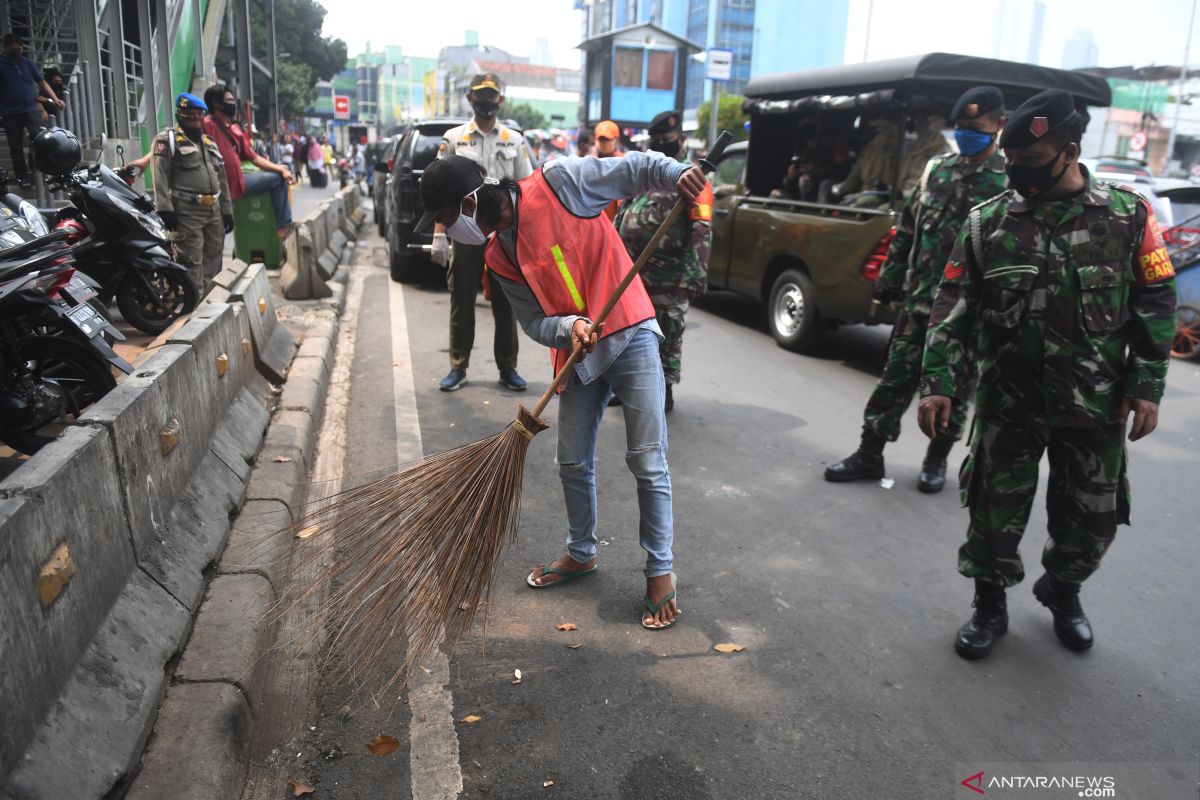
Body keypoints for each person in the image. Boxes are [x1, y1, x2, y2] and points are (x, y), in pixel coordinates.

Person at [917, 90, 1177, 660]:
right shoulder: (989, 223)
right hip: (1010, 402)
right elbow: (952, 303)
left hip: (1095, 404)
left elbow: (1156, 300)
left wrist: (1147, 385)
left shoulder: (1128, 217)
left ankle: (1063, 588)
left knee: (1093, 521)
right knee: (992, 514)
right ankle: (989, 604)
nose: (1016, 175)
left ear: (1070, 152)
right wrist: (937, 381)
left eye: (1030, 164)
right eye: (1010, 162)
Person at [414, 150, 707, 629]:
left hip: (629, 330)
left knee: (647, 459)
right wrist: (569, 326)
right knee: (571, 461)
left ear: (473, 200)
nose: (449, 230)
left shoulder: (559, 183)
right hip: (577, 354)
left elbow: (632, 170)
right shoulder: (498, 254)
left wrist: (677, 174)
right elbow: (533, 321)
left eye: (448, 218)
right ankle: (581, 552)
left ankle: (660, 571)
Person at [825, 87, 1009, 492]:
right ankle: (869, 453)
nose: (965, 135)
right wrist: (890, 283)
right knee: (895, 379)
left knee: (954, 390)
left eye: (975, 128)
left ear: (999, 125)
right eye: (960, 128)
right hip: (919, 300)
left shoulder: (1009, 183)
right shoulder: (936, 170)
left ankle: (936, 459)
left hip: (967, 313)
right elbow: (907, 231)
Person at [432, 72, 533, 393]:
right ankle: (457, 366)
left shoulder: (515, 141)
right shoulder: (454, 139)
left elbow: (526, 191)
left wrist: (526, 239)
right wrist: (439, 233)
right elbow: (439, 190)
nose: (486, 101)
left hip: (504, 233)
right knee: (462, 298)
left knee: (507, 301)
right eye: (481, 95)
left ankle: (508, 367)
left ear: (500, 99)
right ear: (470, 98)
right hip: (465, 228)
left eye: (492, 95)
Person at [614, 110, 712, 413]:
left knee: (667, 332)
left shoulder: (695, 179)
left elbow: (702, 229)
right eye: (655, 141)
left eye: (666, 141)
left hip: (668, 276)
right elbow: (623, 214)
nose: (660, 146)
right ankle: (628, 388)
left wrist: (693, 275)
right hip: (633, 273)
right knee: (631, 332)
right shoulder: (647, 172)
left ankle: (664, 390)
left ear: (681, 140)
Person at [150, 92, 233, 290]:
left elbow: (222, 179)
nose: (195, 118)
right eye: (190, 114)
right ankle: (194, 310)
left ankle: (206, 305)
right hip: (187, 211)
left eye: (199, 114)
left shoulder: (208, 143)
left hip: (213, 211)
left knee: (213, 259)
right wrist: (164, 208)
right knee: (191, 262)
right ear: (180, 115)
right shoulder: (167, 140)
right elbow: (159, 175)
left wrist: (227, 210)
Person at [202, 85, 294, 238]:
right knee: (216, 237)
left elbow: (255, 158)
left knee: (278, 179)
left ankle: (283, 226)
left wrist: (280, 169)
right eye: (229, 100)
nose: (233, 103)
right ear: (217, 104)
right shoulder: (205, 125)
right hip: (218, 190)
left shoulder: (234, 129)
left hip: (239, 183)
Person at [0, 33, 62, 188]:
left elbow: (42, 83)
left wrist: (55, 99)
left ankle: (38, 170)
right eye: (12, 45)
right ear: (5, 47)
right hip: (9, 112)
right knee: (15, 146)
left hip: (29, 110)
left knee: (40, 139)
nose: (16, 48)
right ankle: (22, 178)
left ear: (21, 47)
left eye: (18, 46)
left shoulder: (27, 63)